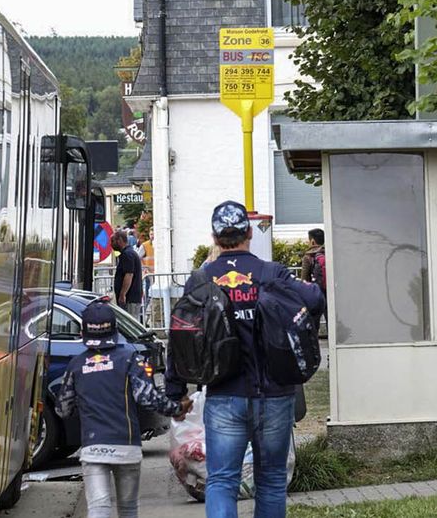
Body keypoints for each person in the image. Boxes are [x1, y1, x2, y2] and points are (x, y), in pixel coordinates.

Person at [166, 200, 324, 518]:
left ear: (214, 237)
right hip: (275, 396)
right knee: (271, 481)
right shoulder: (271, 273)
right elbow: (314, 298)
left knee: (222, 481)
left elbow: (179, 337)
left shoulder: (201, 281)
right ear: (249, 232)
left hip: (224, 396)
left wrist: (176, 394)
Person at [57, 301, 193, 518]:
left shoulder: (76, 365)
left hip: (93, 448)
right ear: (114, 329)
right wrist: (177, 408)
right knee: (128, 509)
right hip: (126, 446)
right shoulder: (130, 360)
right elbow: (148, 399)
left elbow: (63, 409)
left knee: (98, 507)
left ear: (83, 332)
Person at [111, 231, 143, 317]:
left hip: (130, 298)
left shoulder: (127, 254)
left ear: (119, 240)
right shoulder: (129, 253)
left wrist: (122, 294)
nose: (111, 244)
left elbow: (129, 275)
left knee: (130, 323)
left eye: (113, 241)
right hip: (132, 297)